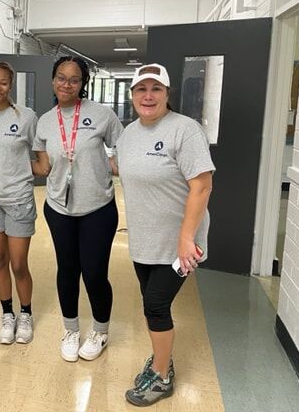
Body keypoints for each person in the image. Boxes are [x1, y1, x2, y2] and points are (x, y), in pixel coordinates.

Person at [115, 63, 214, 407]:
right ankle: (161, 358)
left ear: (167, 94)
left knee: (156, 304)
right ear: (132, 95)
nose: (148, 95)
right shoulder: (128, 135)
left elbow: (202, 186)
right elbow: (128, 170)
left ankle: (161, 377)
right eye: (141, 89)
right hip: (144, 240)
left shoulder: (184, 131)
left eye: (156, 88)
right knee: (151, 304)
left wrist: (187, 238)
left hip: (180, 244)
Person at [33, 56, 123, 362]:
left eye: (74, 79)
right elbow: (44, 165)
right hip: (58, 207)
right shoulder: (45, 120)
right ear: (53, 80)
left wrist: (110, 167)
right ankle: (70, 329)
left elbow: (122, 148)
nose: (66, 84)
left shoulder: (102, 115)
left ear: (83, 84)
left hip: (97, 207)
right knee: (67, 270)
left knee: (95, 273)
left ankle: (100, 330)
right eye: (61, 77)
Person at [0, 62, 39, 344]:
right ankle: (7, 313)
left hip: (18, 200)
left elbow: (41, 157)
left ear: (10, 85)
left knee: (18, 263)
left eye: (3, 82)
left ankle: (25, 313)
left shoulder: (26, 117)